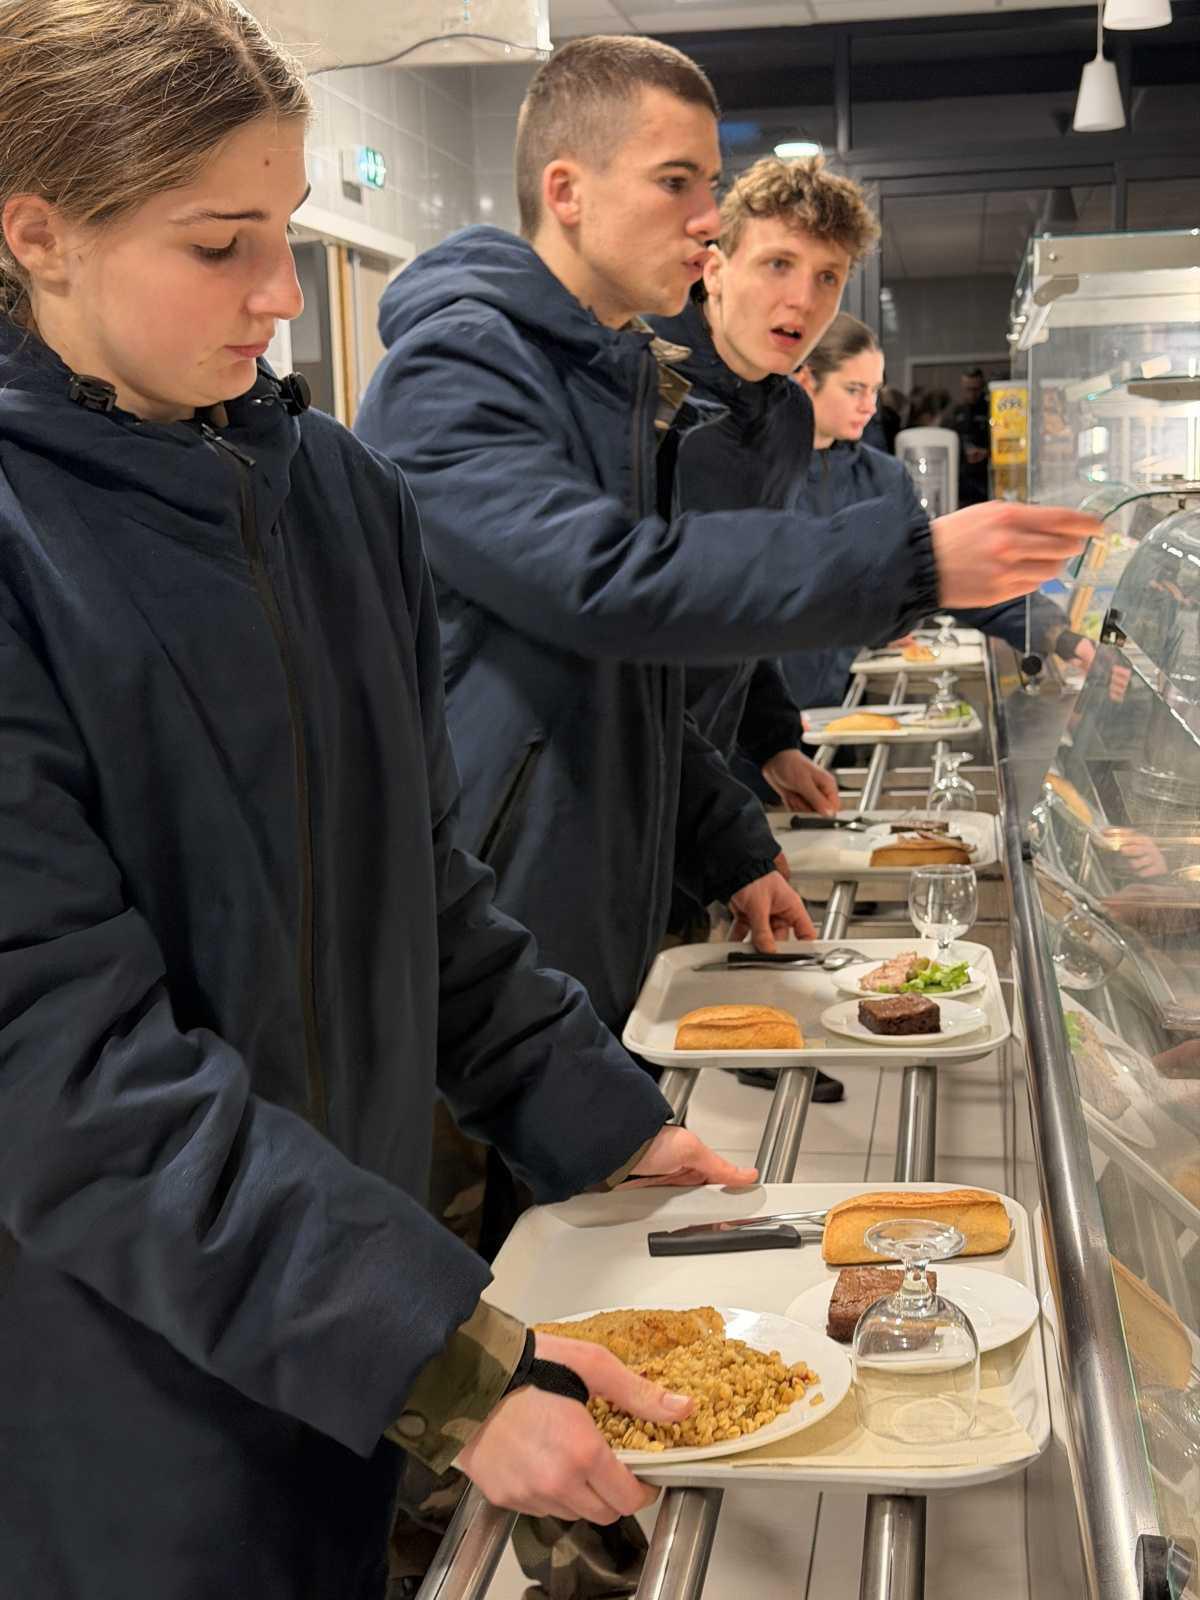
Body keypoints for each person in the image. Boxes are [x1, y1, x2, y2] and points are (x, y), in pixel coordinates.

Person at [0, 6, 754, 1595]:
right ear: (38, 234)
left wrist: (598, 1115)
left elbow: (418, 881)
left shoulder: (335, 496)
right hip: (110, 1376)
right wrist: (445, 1368)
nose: (282, 295)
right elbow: (58, 1069)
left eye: (281, 232)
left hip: (335, 1318)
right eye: (220, 247)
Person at [354, 35, 1097, 1062]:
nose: (705, 221)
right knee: (514, 1197)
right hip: (491, 887)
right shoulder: (459, 365)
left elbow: (637, 683)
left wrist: (729, 843)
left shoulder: (618, 377)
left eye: (708, 184)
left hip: (602, 852)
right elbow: (611, 591)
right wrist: (913, 565)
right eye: (676, 183)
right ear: (566, 190)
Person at [779, 316, 1095, 713]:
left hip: (844, 705)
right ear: (806, 379)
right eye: (854, 389)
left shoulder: (883, 476)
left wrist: (1057, 635)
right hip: (760, 726)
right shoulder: (756, 474)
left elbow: (941, 569)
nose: (869, 405)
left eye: (875, 390)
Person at [951, 365, 992, 506]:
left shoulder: (991, 411)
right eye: (968, 389)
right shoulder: (955, 413)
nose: (972, 394)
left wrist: (987, 453)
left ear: (982, 387)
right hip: (962, 479)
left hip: (986, 477)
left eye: (976, 389)